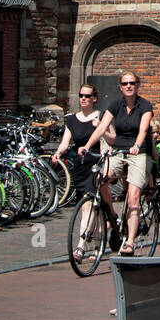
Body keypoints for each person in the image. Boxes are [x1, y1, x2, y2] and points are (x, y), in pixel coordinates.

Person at [79, 71, 153, 255]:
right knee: (100, 178)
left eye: (132, 83)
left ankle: (130, 242)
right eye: (125, 83)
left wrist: (137, 145)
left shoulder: (144, 105)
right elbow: (103, 127)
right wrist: (87, 145)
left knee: (133, 198)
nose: (129, 86)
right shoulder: (116, 105)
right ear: (120, 87)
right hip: (119, 151)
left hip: (137, 152)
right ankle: (112, 214)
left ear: (137, 85)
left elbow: (143, 129)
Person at [51, 84, 104, 261]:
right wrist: (58, 152)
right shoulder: (72, 120)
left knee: (88, 206)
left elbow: (110, 138)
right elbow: (66, 141)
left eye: (87, 96)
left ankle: (81, 246)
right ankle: (98, 244)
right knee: (88, 208)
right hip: (79, 166)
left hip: (95, 165)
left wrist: (100, 128)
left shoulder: (100, 117)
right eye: (81, 95)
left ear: (94, 99)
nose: (83, 98)